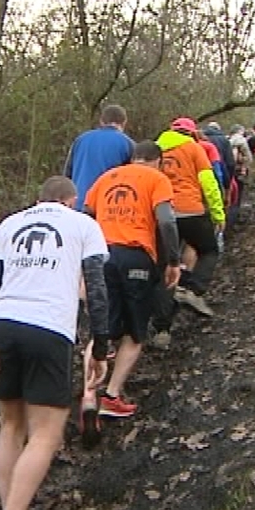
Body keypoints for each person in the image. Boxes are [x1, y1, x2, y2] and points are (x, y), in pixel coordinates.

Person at [0, 176, 110, 510]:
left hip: (4, 323)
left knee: (10, 424)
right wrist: (100, 344)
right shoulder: (84, 225)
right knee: (47, 432)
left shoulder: (10, 224)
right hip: (49, 327)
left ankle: (8, 509)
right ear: (71, 201)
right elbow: (97, 288)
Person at [83, 140, 182, 418]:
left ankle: (88, 394)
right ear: (157, 161)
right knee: (136, 333)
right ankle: (112, 396)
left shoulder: (107, 178)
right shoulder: (157, 178)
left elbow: (86, 215)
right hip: (136, 255)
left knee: (101, 328)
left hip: (101, 254)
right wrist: (173, 260)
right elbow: (165, 220)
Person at [155, 117, 225, 317]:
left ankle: (162, 328)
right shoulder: (194, 149)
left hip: (162, 211)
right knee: (209, 250)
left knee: (166, 266)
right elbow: (209, 183)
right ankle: (193, 290)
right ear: (192, 133)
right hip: (191, 210)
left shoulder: (155, 149)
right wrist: (218, 213)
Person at [63, 104, 134, 211]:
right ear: (124, 123)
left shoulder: (81, 139)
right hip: (106, 206)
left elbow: (67, 173)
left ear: (101, 121)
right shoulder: (127, 144)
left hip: (77, 203)